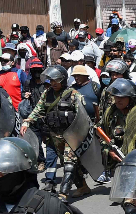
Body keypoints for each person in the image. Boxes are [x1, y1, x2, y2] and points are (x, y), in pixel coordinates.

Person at [20, 65, 91, 199]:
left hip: (71, 135)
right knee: (67, 163)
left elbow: (82, 116)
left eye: (56, 80)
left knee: (69, 163)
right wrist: (27, 121)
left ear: (63, 80)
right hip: (55, 135)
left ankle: (63, 193)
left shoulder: (74, 94)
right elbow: (38, 109)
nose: (53, 83)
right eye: (51, 80)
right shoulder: (47, 94)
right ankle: (83, 187)